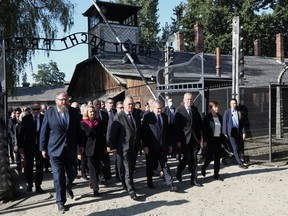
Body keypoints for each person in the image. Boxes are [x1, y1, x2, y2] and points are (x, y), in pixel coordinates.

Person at [40, 92, 84, 213]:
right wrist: (43, 148)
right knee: (58, 176)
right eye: (62, 100)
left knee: (73, 172)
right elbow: (44, 132)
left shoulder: (74, 112)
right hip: (55, 150)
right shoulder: (49, 113)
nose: (64, 102)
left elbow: (78, 130)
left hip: (70, 149)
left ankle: (68, 185)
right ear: (56, 101)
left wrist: (81, 144)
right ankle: (60, 202)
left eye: (66, 100)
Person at [107, 95, 141, 200]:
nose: (131, 106)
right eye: (129, 104)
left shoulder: (135, 114)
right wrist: (113, 148)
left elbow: (138, 130)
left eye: (132, 104)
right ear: (124, 105)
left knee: (131, 169)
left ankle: (127, 184)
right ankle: (131, 190)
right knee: (127, 169)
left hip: (134, 147)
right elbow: (113, 133)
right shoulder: (119, 116)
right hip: (124, 148)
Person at [142, 100, 177, 191]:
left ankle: (170, 183)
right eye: (157, 108)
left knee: (164, 165)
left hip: (162, 146)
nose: (159, 110)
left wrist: (169, 144)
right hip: (151, 147)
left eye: (161, 108)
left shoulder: (164, 117)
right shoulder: (147, 117)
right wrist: (145, 146)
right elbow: (144, 133)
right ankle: (150, 181)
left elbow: (167, 132)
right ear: (152, 108)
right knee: (150, 165)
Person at [174, 92, 203, 186]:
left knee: (194, 159)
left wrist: (200, 138)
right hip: (184, 139)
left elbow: (198, 125)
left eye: (191, 99)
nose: (190, 101)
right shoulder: (179, 110)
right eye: (188, 99)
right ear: (184, 100)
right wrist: (178, 140)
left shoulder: (195, 110)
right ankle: (179, 171)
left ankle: (194, 179)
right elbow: (177, 127)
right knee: (186, 158)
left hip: (194, 139)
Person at [18, 103, 45, 193]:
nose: (36, 111)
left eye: (37, 109)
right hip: (29, 146)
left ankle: (38, 185)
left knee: (40, 166)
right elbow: (21, 134)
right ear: (31, 109)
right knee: (29, 165)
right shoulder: (26, 118)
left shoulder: (43, 118)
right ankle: (30, 184)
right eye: (34, 109)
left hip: (40, 146)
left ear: (40, 109)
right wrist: (20, 146)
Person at [80, 105, 105, 196]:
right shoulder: (83, 123)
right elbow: (81, 138)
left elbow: (102, 135)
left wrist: (105, 147)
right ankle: (95, 189)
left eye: (94, 112)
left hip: (99, 148)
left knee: (98, 167)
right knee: (92, 168)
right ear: (87, 113)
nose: (92, 113)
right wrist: (79, 151)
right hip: (88, 149)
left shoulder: (99, 122)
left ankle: (93, 182)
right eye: (90, 112)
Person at [201, 101, 224, 181]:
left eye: (217, 106)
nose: (217, 108)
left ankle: (216, 174)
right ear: (211, 108)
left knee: (217, 157)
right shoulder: (207, 118)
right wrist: (204, 140)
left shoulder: (220, 117)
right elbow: (204, 130)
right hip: (210, 140)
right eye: (215, 107)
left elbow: (221, 129)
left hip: (217, 139)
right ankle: (203, 167)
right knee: (210, 157)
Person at [222, 98, 248, 169]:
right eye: (232, 103)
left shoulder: (239, 112)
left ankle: (231, 159)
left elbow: (241, 124)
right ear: (230, 104)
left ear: (236, 104)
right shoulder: (227, 112)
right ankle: (240, 163)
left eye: (234, 103)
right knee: (235, 147)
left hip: (238, 131)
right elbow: (224, 122)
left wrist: (243, 132)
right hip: (231, 132)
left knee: (237, 147)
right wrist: (225, 132)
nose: (233, 105)